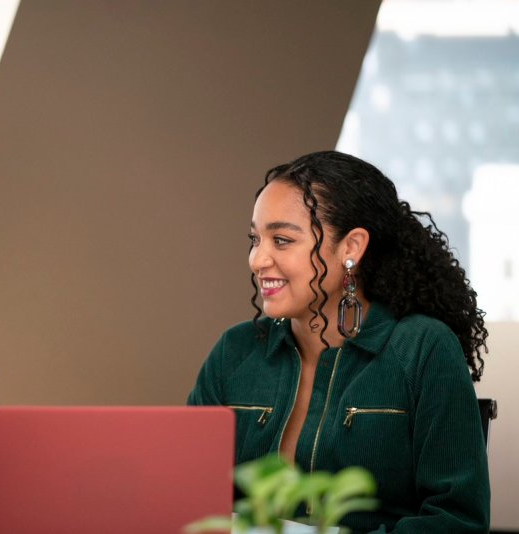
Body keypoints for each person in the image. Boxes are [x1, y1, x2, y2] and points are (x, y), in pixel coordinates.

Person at [188, 151, 489, 533]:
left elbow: (457, 521)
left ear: (351, 248)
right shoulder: (236, 351)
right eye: (255, 239)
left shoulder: (423, 349)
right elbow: (187, 498)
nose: (257, 259)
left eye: (281, 240)